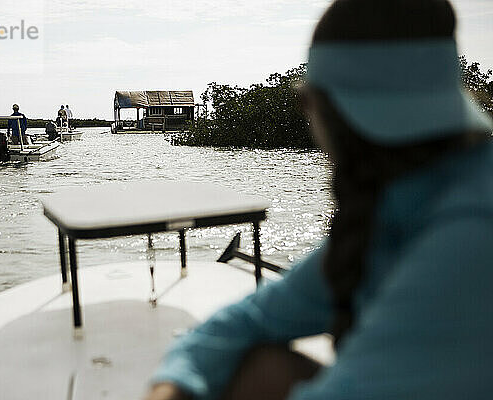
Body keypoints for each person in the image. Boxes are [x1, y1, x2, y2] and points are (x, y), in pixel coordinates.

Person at [145, 1, 493, 400]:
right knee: (265, 369)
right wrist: (171, 387)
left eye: (306, 101)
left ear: (325, 108)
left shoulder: (472, 229)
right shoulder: (402, 204)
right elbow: (250, 318)